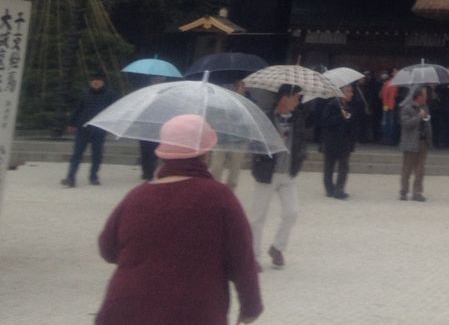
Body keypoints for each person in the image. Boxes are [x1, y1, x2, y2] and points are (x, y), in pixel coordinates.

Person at [95, 114, 262, 325]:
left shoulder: (137, 196)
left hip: (125, 310)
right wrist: (251, 307)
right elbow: (242, 259)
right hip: (194, 311)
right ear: (206, 154)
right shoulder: (220, 197)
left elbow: (108, 249)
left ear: (163, 154)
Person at [248, 84, 306, 270]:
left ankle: (277, 247)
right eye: (296, 97)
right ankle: (253, 255)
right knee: (258, 216)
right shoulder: (265, 117)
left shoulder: (298, 118)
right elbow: (254, 144)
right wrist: (272, 144)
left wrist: (300, 156)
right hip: (267, 172)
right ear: (284, 98)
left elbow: (301, 141)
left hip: (288, 172)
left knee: (292, 212)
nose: (298, 101)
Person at [63, 73, 117, 187]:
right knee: (77, 153)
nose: (96, 82)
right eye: (93, 80)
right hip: (83, 127)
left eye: (98, 80)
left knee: (97, 154)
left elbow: (115, 110)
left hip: (99, 128)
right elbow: (78, 109)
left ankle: (93, 176)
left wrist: (112, 125)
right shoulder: (85, 93)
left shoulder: (110, 94)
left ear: (103, 82)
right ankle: (71, 176)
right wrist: (72, 123)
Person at [321, 84, 357, 199]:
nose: (351, 94)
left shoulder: (349, 106)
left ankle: (339, 188)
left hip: (345, 141)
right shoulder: (331, 105)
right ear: (342, 93)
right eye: (349, 92)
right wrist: (339, 117)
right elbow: (325, 122)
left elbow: (352, 124)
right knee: (329, 166)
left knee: (344, 166)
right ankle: (329, 189)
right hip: (332, 141)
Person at [212, 80, 249, 189]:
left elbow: (248, 117)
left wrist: (242, 95)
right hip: (221, 137)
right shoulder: (222, 92)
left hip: (240, 140)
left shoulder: (249, 99)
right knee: (215, 169)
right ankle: (214, 193)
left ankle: (229, 197)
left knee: (234, 175)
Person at [399, 86, 432, 201]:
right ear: (419, 97)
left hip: (423, 142)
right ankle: (403, 191)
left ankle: (417, 192)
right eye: (424, 95)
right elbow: (406, 124)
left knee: (420, 169)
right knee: (407, 169)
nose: (426, 97)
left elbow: (427, 123)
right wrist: (419, 117)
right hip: (411, 142)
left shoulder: (425, 108)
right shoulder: (407, 108)